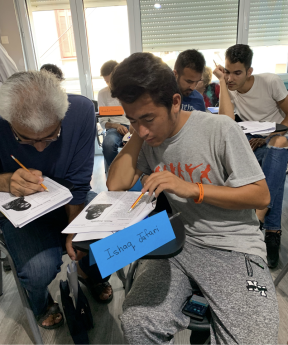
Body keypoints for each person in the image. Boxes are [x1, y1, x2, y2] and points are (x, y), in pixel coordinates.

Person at [107, 52, 279, 345]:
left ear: (175, 102)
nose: (143, 129)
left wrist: (192, 189)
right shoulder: (148, 138)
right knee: (135, 320)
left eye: (149, 117)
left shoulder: (219, 129)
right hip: (174, 236)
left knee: (255, 340)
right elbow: (116, 183)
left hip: (233, 244)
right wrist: (140, 129)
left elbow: (261, 196)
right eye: (134, 119)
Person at [0, 71, 113, 329]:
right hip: (23, 212)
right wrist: (6, 181)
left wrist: (75, 228)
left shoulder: (81, 110)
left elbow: (79, 180)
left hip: (73, 198)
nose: (40, 148)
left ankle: (89, 272)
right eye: (25, 139)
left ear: (62, 116)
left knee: (106, 244)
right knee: (38, 271)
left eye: (51, 136)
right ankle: (40, 301)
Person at [214, 44, 288, 268]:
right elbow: (226, 121)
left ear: (249, 71)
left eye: (237, 72)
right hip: (253, 140)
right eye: (227, 71)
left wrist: (268, 136)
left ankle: (261, 217)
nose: (230, 78)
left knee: (279, 144)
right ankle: (271, 230)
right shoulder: (229, 88)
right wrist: (222, 84)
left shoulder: (270, 82)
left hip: (279, 135)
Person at [98, 60, 131, 168]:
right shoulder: (103, 94)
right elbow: (103, 122)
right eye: (107, 82)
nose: (110, 85)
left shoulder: (130, 91)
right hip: (114, 129)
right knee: (108, 144)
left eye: (111, 81)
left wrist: (132, 130)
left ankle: (138, 174)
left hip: (133, 127)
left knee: (140, 144)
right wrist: (116, 126)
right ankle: (116, 171)